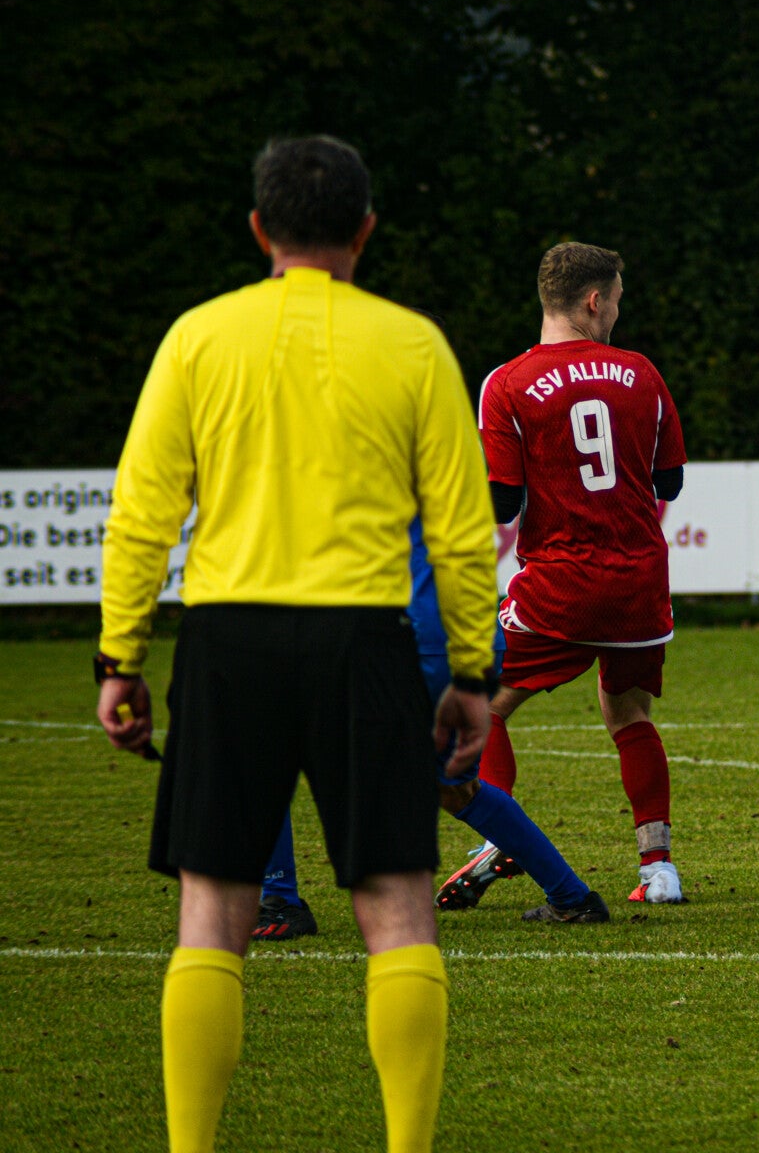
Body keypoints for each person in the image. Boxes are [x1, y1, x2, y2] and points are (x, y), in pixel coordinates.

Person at [94, 135, 493, 1152]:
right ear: (366, 229)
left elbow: (142, 515)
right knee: (397, 906)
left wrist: (119, 658)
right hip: (365, 643)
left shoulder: (198, 337)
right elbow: (460, 530)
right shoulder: (413, 345)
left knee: (212, 912)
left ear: (258, 228)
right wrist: (472, 672)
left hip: (228, 644)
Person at [251, 515, 609, 940]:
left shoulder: (340, 487)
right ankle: (573, 898)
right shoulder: (445, 476)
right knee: (455, 787)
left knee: (266, 751)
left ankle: (279, 901)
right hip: (472, 635)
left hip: (403, 637)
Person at [477, 242, 690, 905]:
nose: (618, 312)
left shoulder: (507, 383)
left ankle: (497, 838)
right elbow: (670, 483)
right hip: (639, 584)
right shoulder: (642, 373)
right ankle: (659, 870)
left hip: (559, 586)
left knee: (481, 706)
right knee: (629, 714)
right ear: (594, 301)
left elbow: (503, 503)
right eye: (618, 300)